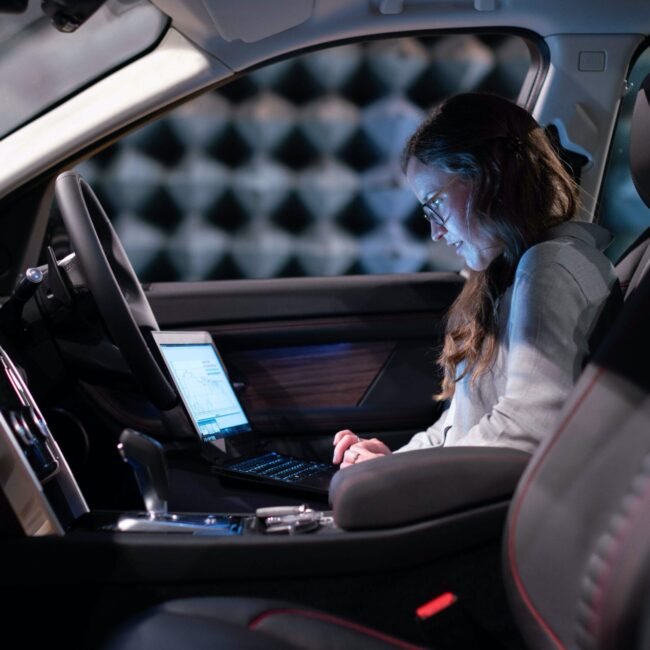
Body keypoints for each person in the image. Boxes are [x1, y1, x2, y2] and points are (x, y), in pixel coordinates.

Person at [333, 92, 619, 469]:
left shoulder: (549, 267)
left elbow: (528, 429)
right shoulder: (503, 276)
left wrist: (402, 480)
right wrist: (389, 465)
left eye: (434, 204)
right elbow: (456, 428)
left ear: (489, 178)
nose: (435, 232)